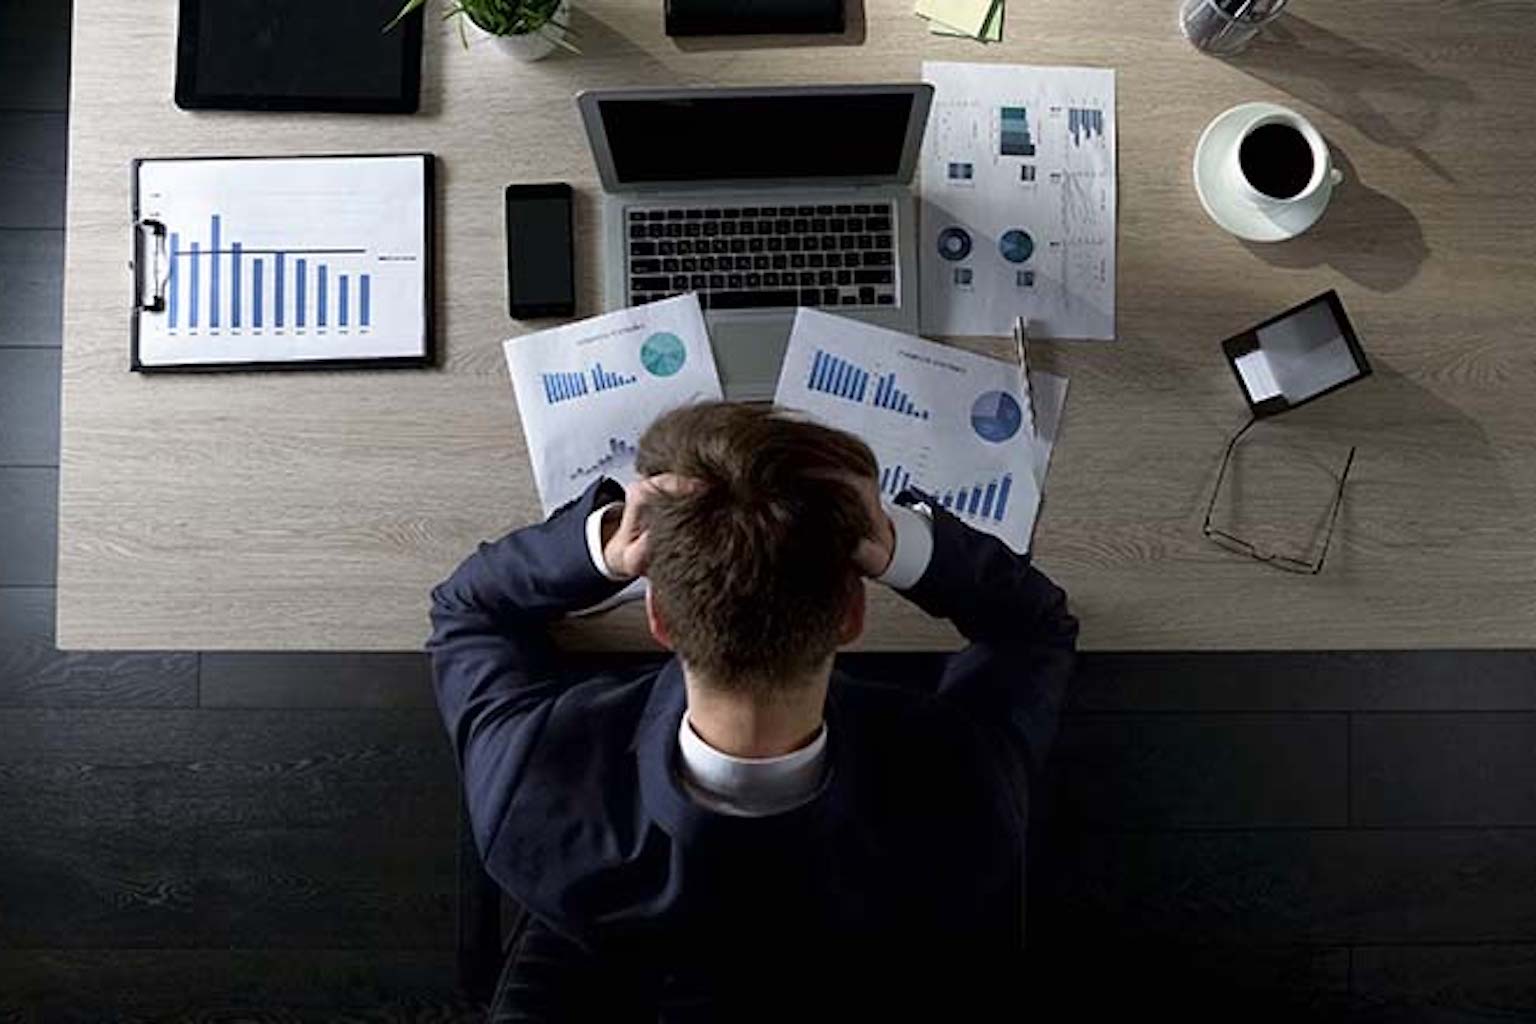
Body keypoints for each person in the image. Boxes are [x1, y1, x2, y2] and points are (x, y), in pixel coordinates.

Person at [428, 401, 1078, 1020]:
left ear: (659, 617)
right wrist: (899, 543)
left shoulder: (532, 783)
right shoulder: (965, 800)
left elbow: (467, 609)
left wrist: (604, 544)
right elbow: (1033, 628)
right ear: (852, 615)